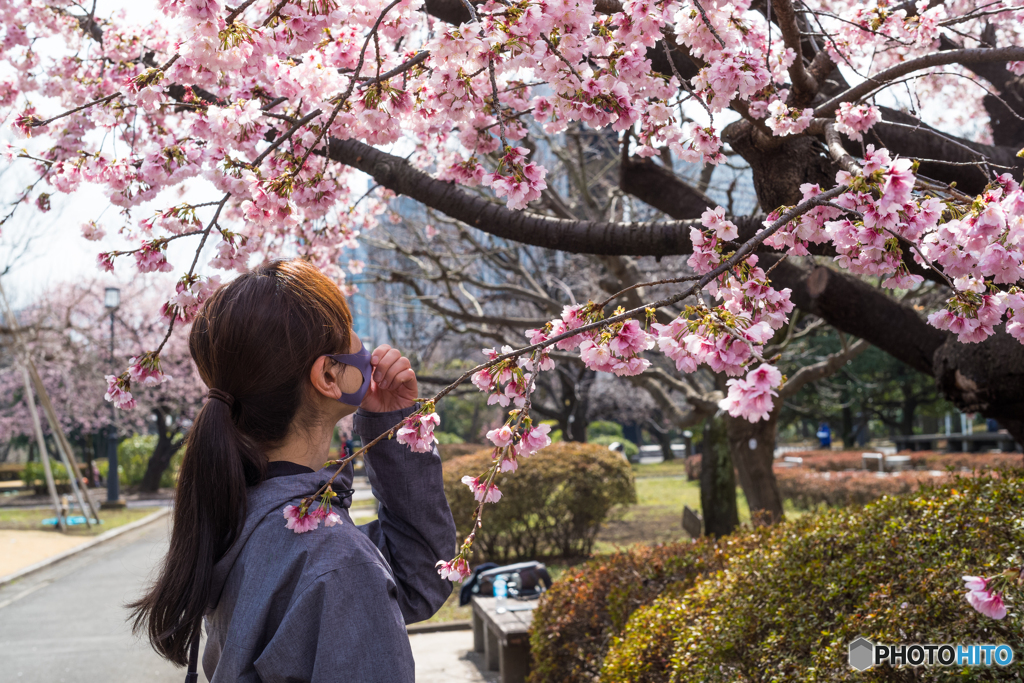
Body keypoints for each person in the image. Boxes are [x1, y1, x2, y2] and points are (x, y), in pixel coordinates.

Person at [129, 260, 457, 682]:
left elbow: (417, 580)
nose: (363, 343)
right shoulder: (331, 559)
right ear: (327, 374)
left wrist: (394, 425)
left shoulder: (244, 514)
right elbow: (366, 579)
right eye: (349, 326)